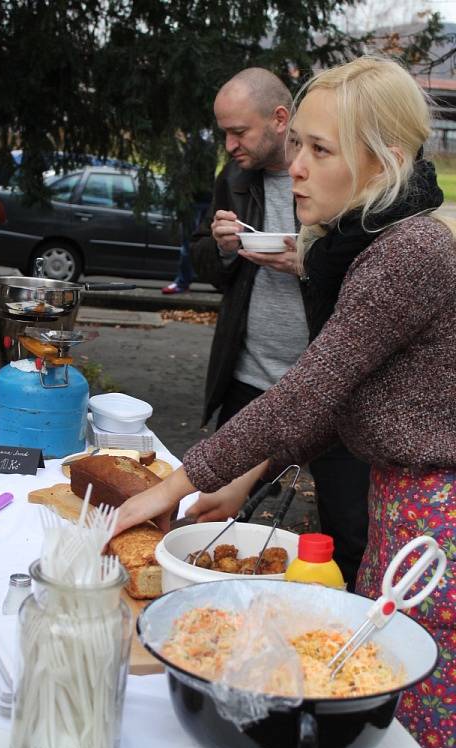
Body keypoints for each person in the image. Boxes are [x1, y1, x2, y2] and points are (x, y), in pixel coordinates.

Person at [117, 56, 454, 748]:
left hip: (434, 525)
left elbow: (307, 388)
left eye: (320, 149)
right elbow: (340, 404)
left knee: (415, 729)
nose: (296, 166)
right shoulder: (371, 244)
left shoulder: (410, 252)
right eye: (297, 143)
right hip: (404, 511)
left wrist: (174, 484)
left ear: (384, 159)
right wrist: (244, 479)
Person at [190, 67, 370, 590]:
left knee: (348, 534)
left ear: (280, 118)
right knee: (222, 520)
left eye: (239, 132)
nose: (230, 145)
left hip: (330, 395)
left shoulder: (336, 179)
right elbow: (203, 260)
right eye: (223, 132)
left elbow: (369, 278)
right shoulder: (235, 179)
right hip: (250, 381)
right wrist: (222, 249)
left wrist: (307, 265)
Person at [162, 131, 217, 294]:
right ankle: (182, 281)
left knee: (189, 245)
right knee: (189, 245)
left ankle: (182, 282)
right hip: (197, 201)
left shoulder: (199, 147)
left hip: (198, 201)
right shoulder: (203, 145)